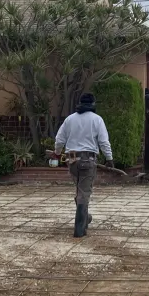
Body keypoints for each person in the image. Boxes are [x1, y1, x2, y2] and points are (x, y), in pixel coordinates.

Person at [49, 93, 114, 238]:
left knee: (80, 191)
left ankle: (85, 217)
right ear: (93, 104)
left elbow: (59, 139)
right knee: (84, 193)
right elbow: (104, 141)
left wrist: (58, 153)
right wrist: (109, 158)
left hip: (71, 160)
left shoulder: (70, 119)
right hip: (88, 160)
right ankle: (79, 229)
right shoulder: (97, 120)